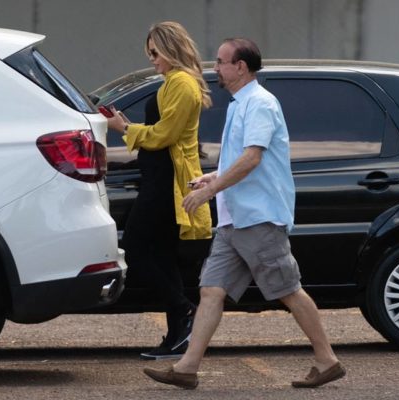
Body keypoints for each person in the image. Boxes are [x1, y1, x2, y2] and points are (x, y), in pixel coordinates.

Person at [143, 38, 345, 388]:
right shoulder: (239, 104)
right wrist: (212, 176)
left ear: (241, 67)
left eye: (221, 62)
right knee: (211, 290)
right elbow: (240, 157)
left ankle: (327, 360)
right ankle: (188, 368)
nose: (215, 67)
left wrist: (211, 190)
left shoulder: (261, 104)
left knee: (288, 290)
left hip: (259, 218)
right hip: (234, 218)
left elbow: (253, 157)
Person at [106, 21, 212, 360]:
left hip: (168, 180)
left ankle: (185, 311)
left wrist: (125, 128)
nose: (152, 59)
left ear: (170, 49)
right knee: (162, 256)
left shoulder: (182, 83)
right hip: (158, 176)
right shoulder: (173, 82)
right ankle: (179, 333)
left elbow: (165, 134)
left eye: (155, 53)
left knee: (136, 249)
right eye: (149, 53)